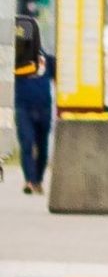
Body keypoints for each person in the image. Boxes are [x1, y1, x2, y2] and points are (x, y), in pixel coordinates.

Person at [15, 52, 55, 195]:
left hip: (44, 108)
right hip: (23, 108)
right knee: (27, 143)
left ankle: (38, 179)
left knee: (42, 147)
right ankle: (30, 181)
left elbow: (60, 78)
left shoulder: (48, 60)